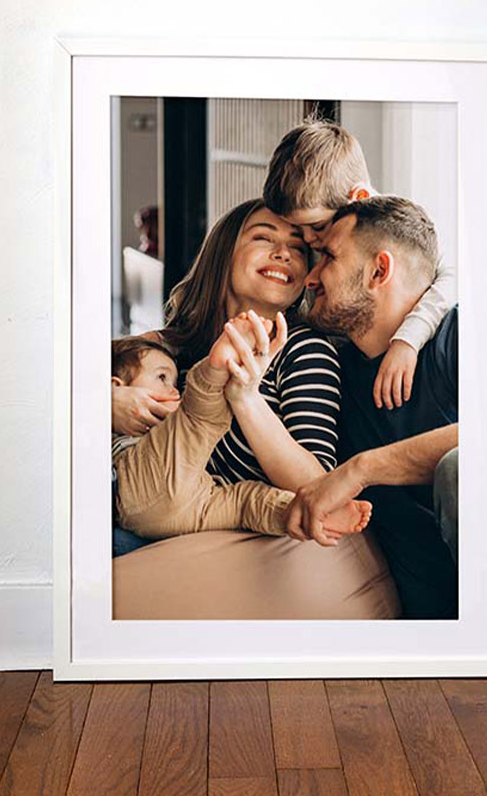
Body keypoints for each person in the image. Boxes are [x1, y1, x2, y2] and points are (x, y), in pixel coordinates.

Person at [110, 199, 350, 548]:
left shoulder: (304, 349)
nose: (284, 253)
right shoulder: (168, 346)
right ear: (224, 252)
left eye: (297, 247)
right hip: (136, 510)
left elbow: (315, 485)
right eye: (263, 238)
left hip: (226, 538)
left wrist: (246, 398)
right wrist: (106, 401)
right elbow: (54, 391)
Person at [284, 195, 460, 619]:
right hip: (419, 634)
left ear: (379, 271)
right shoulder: (327, 372)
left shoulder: (458, 336)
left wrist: (361, 470)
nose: (311, 277)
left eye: (329, 257)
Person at [110, 327, 370, 540]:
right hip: (137, 488)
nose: (174, 390)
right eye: (161, 378)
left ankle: (309, 516)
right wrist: (103, 400)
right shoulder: (110, 425)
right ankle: (213, 373)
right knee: (198, 418)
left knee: (247, 503)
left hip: (197, 499)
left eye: (175, 381)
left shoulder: (306, 349)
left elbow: (314, 479)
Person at [263, 118, 449, 411]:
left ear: (359, 198)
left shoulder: (404, 233)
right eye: (299, 231)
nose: (309, 240)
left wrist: (407, 340)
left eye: (317, 226)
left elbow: (452, 279)